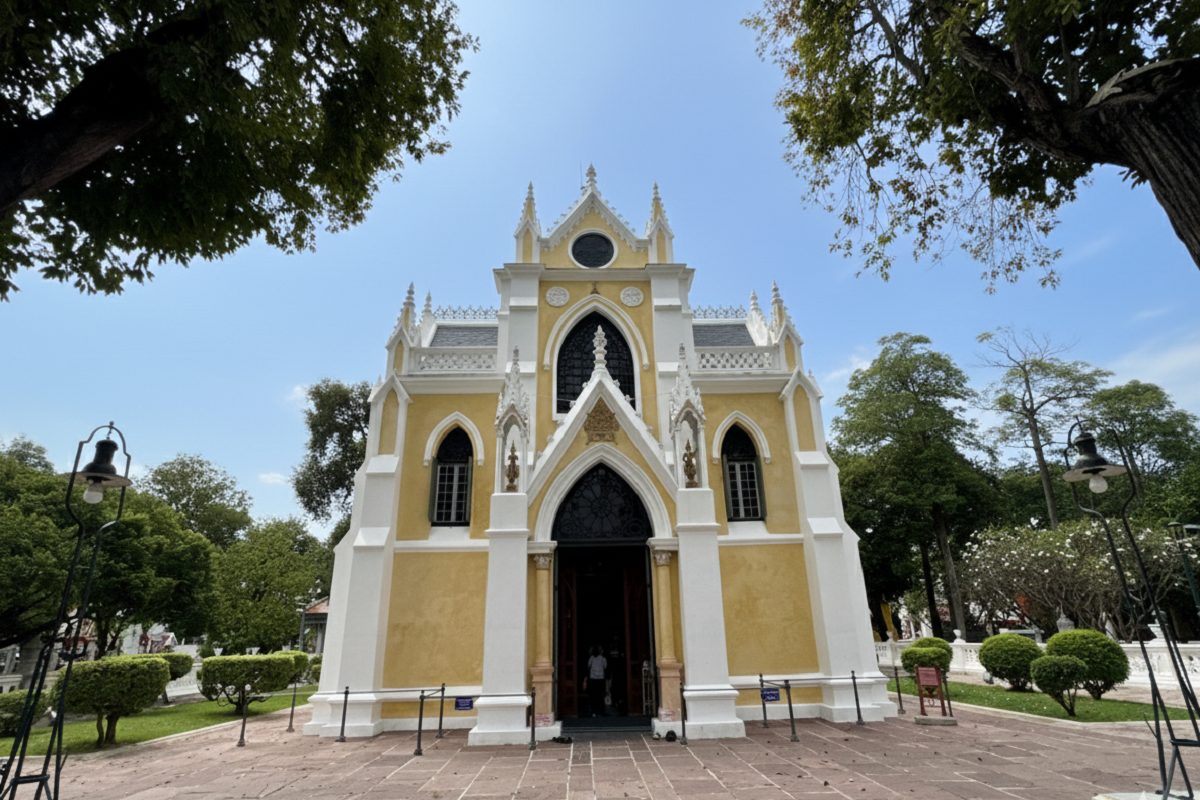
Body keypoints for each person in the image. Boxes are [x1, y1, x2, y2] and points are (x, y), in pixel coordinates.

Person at [585, 645, 607, 716]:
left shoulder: (591, 658)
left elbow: (588, 666)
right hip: (600, 679)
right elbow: (605, 667)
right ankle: (600, 711)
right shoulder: (603, 659)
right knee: (600, 696)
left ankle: (594, 711)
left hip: (593, 679)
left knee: (594, 696)